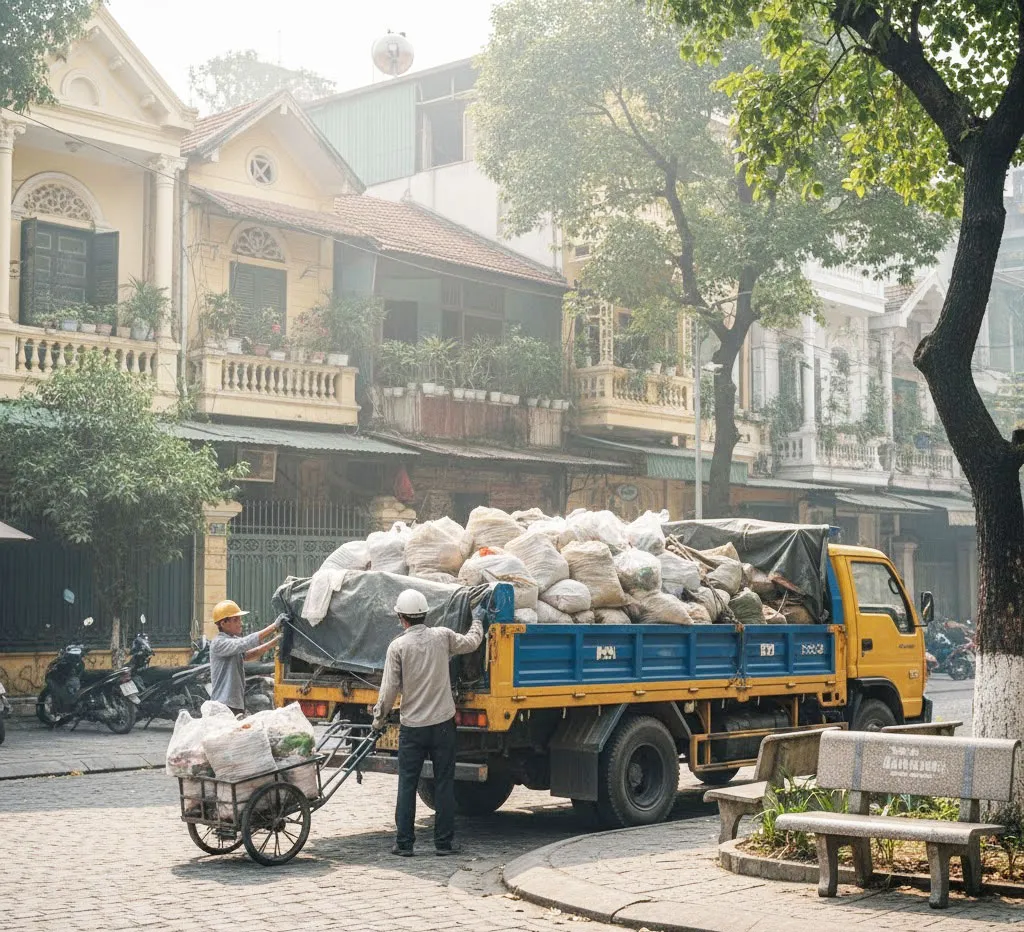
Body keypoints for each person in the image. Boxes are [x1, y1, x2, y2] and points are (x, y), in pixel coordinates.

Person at [372, 588, 483, 857]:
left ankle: (404, 843)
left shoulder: (397, 647)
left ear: (402, 618)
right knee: (445, 782)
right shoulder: (442, 636)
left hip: (413, 728)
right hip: (443, 724)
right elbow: (471, 643)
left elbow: (388, 691)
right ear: (425, 615)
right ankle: (444, 843)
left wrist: (378, 720)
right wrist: (478, 620)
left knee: (408, 784)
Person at [209, 599, 281, 716]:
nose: (240, 623)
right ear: (223, 623)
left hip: (235, 703)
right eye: (235, 620)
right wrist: (274, 626)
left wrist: (274, 642)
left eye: (239, 619)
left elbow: (249, 655)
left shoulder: (232, 640)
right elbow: (244, 643)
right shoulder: (218, 643)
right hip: (223, 704)